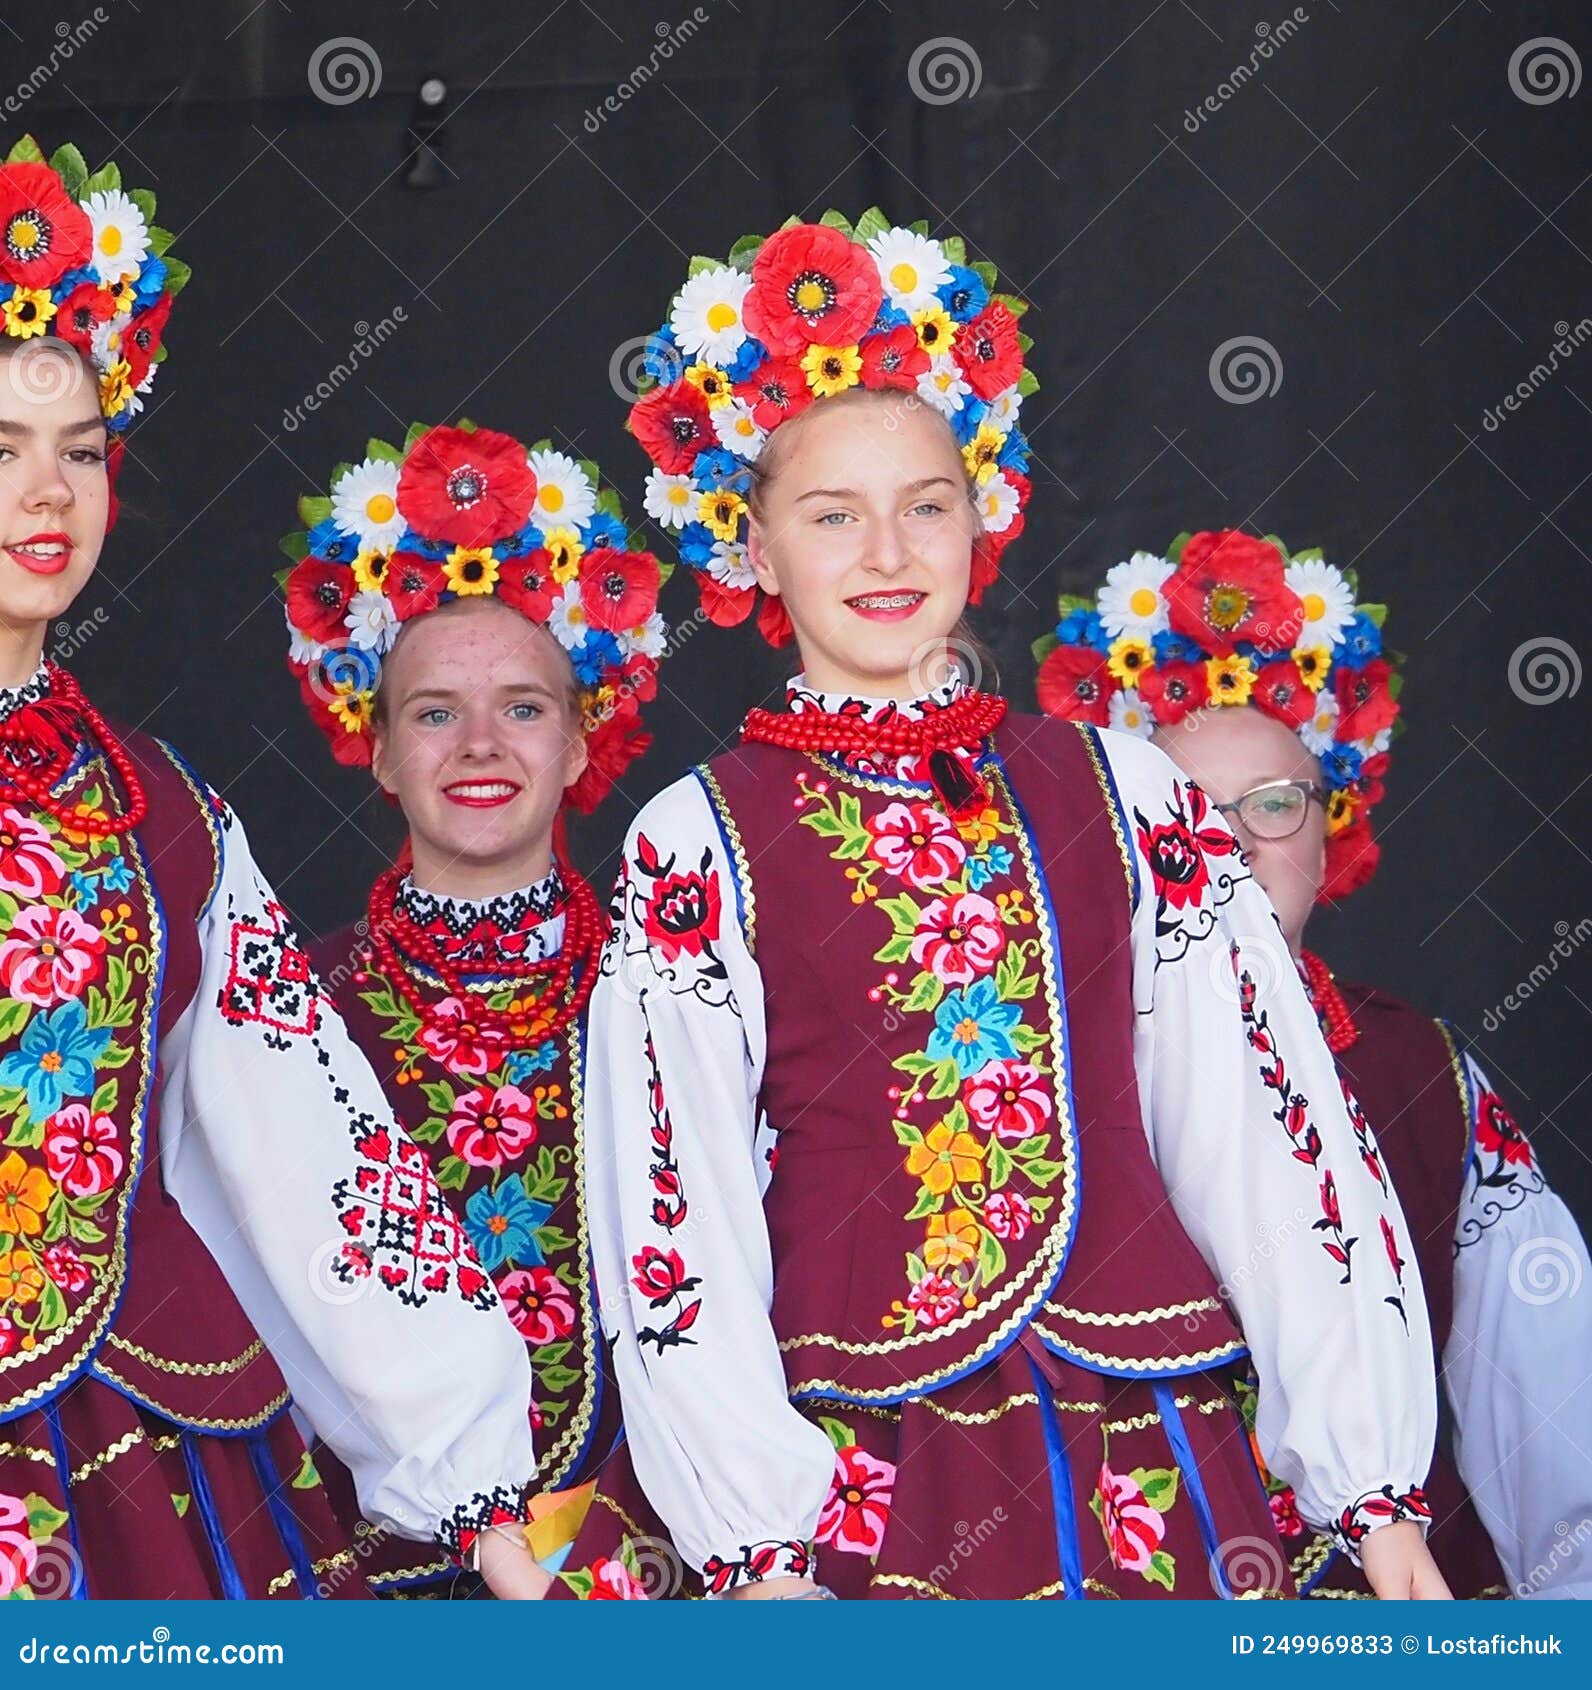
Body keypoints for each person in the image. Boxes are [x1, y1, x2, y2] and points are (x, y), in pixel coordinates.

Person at [579, 208, 1451, 1599]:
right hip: (866, 1459)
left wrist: (1373, 1486)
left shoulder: (1124, 787)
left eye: (926, 502)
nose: (887, 549)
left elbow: (1256, 1119)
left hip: (1148, 1433)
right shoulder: (701, 832)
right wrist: (754, 1542)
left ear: (982, 516)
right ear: (751, 544)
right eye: (832, 512)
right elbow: (671, 1203)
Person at [0, 134, 540, 1600]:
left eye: (83, 453)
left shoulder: (164, 815)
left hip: (126, 1440)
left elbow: (302, 1151)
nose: (49, 495)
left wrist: (472, 1477)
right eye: (1, 450)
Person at [1037, 527, 1592, 1599]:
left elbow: (1541, 1394)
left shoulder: (1420, 1071)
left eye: (1272, 804)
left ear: (1328, 830)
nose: (1232, 842)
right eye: (1187, 811)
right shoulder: (1049, 1074)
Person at [283, 418, 677, 1596]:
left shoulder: (673, 989)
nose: (478, 745)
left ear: (576, 739)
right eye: (432, 711)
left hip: (642, 1564)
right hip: (372, 1572)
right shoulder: (299, 1002)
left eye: (522, 706)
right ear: (380, 750)